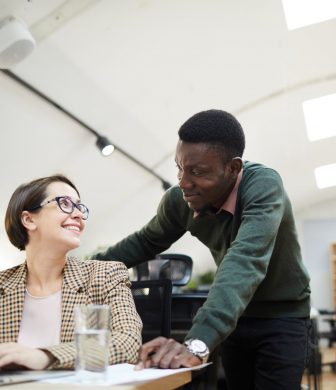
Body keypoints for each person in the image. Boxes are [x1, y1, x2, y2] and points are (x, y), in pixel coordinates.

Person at [93, 109, 311, 389]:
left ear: (232, 168)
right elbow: (144, 242)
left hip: (283, 316)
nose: (183, 182)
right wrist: (81, 270)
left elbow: (245, 258)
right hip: (235, 318)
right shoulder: (179, 201)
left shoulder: (263, 186)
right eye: (180, 168)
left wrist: (198, 343)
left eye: (197, 172)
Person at [0, 175, 142, 370]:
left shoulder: (105, 275)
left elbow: (128, 343)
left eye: (79, 207)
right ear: (29, 219)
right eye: (65, 203)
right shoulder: (2, 286)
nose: (78, 215)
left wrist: (45, 356)